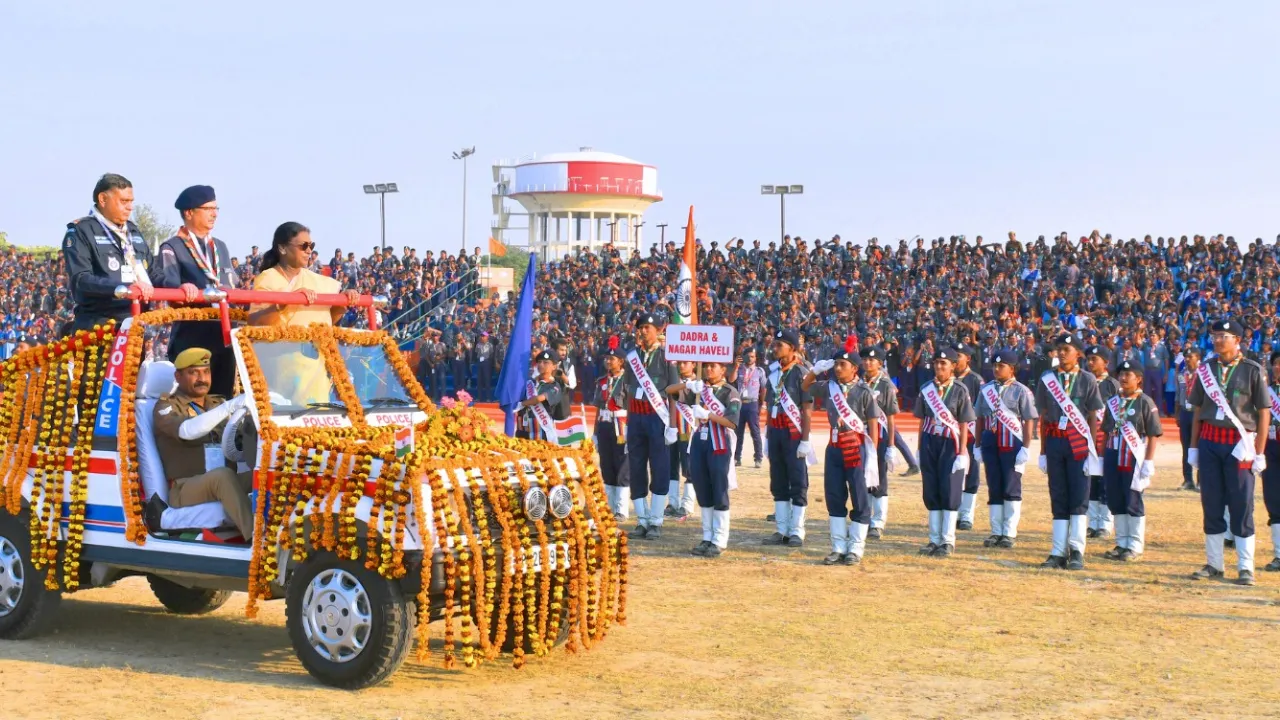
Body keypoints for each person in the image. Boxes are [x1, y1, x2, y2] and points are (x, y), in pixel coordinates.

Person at [1188, 319, 1269, 586]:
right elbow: (1198, 409)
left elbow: (1263, 412)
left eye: (1223, 335)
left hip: (1240, 443)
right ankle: (1214, 564)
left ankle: (1246, 568)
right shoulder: (1206, 370)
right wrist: (1194, 447)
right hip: (1211, 441)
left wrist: (1259, 452)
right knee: (1211, 502)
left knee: (1241, 503)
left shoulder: (1252, 370)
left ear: (1237, 340)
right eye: (1215, 336)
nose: (1218, 340)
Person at [151, 348, 253, 539]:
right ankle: (256, 540)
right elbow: (187, 431)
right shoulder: (167, 407)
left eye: (206, 372)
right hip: (185, 488)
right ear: (178, 376)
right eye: (193, 372)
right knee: (222, 476)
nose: (202, 378)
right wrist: (228, 407)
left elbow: (241, 437)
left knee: (262, 475)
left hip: (223, 480)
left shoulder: (216, 403)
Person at [156, 185, 238, 397]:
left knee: (223, 398)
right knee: (193, 400)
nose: (214, 213)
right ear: (189, 213)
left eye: (215, 208)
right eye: (208, 208)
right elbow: (166, 283)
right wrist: (181, 288)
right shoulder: (172, 247)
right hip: (192, 334)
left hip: (223, 335)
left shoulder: (220, 247)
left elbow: (230, 285)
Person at [805, 345, 882, 565]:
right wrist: (816, 371)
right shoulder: (829, 387)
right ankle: (838, 547)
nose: (838, 368)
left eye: (842, 365)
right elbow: (806, 387)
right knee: (834, 496)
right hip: (835, 448)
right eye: (836, 364)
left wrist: (873, 456)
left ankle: (855, 548)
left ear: (854, 369)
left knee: (859, 498)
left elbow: (874, 426)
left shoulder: (864, 391)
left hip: (856, 448)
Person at [1035, 333, 1104, 570]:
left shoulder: (1087, 380)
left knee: (1078, 496)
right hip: (1055, 441)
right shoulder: (1047, 379)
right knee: (1058, 495)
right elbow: (1044, 417)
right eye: (1059, 349)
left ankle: (1076, 551)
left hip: (1078, 443)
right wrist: (1043, 451)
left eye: (1067, 349)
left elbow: (1093, 416)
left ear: (1078, 354)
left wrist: (1092, 450)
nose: (1062, 353)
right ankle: (1057, 551)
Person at [62, 173, 159, 332]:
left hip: (135, 323)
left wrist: (180, 285)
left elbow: (153, 272)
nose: (130, 207)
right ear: (103, 199)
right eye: (124, 201)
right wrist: (124, 288)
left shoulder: (133, 231)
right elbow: (81, 279)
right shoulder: (81, 231)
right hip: (98, 326)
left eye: (131, 202)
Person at [622, 312, 680, 539]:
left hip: (658, 419)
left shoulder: (667, 357)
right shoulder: (631, 357)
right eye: (641, 327)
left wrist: (673, 425)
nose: (643, 331)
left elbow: (673, 393)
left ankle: (655, 520)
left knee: (660, 467)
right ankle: (642, 520)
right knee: (636, 468)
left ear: (659, 330)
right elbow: (628, 392)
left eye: (648, 327)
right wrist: (627, 423)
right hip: (636, 419)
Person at [914, 347, 975, 557]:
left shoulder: (960, 390)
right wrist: (919, 449)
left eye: (944, 363)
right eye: (936, 363)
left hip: (951, 443)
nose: (939, 367)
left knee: (949, 490)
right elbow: (922, 420)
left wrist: (962, 452)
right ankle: (934, 539)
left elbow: (964, 422)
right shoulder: (926, 388)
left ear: (952, 366)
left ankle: (947, 541)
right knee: (931, 489)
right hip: (931, 441)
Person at [1100, 359, 1161, 562]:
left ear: (1139, 379)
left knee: (1132, 500)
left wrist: (1149, 462)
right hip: (1112, 455)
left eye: (1128, 375)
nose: (1123, 378)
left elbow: (1152, 434)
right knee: (1116, 499)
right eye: (1121, 375)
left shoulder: (1145, 402)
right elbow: (1107, 431)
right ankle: (1121, 542)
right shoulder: (1112, 402)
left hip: (1133, 457)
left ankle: (1134, 544)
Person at [975, 349, 1037, 548]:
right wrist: (977, 444)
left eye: (1001, 366)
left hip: (1013, 443)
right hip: (990, 442)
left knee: (1011, 487)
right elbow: (979, 418)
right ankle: (996, 531)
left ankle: (1009, 533)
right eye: (994, 365)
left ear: (1012, 369)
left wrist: (1026, 447)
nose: (996, 369)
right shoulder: (986, 389)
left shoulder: (1021, 390)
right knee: (994, 485)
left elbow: (1028, 420)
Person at [680, 360, 741, 558]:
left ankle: (719, 539)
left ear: (723, 369)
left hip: (719, 444)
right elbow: (670, 391)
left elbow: (732, 422)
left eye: (713, 366)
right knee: (703, 490)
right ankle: (707, 536)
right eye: (705, 366)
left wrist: (709, 414)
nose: (708, 369)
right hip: (699, 443)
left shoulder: (729, 392)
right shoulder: (699, 390)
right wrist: (688, 384)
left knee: (719, 490)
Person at [248, 222, 361, 327]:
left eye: (311, 246)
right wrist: (287, 300)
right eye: (303, 246)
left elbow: (330, 322)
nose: (309, 251)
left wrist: (343, 301)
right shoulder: (268, 278)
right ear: (282, 248)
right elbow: (254, 322)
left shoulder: (318, 280)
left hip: (315, 347)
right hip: (279, 347)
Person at [764, 329, 813, 546]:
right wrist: (767, 436)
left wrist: (805, 439)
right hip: (775, 431)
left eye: (780, 345)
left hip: (794, 434)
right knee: (778, 480)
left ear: (793, 349)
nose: (775, 348)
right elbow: (768, 405)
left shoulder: (802, 373)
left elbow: (807, 409)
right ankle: (782, 529)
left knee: (798, 481)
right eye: (775, 344)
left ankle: (797, 530)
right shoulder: (773, 373)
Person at [861, 346, 902, 540]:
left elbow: (891, 418)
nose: (868, 363)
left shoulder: (885, 385)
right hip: (860, 435)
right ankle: (865, 517)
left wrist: (892, 445)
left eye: (872, 360)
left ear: (880, 363)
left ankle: (878, 522)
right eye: (865, 360)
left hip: (880, 436)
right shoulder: (858, 381)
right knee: (862, 478)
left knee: (879, 479)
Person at [1085, 345, 1119, 539]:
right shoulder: (1084, 381)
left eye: (1094, 359)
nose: (1090, 363)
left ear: (1105, 363)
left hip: (1105, 437)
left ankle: (1105, 524)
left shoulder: (1113, 384)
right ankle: (1093, 522)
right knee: (1090, 480)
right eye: (1088, 359)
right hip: (1086, 437)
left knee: (1105, 480)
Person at [595, 342, 630, 519]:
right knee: (606, 464)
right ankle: (609, 507)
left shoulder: (627, 380)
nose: (608, 361)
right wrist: (595, 432)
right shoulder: (601, 381)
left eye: (612, 359)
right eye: (606, 358)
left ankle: (622, 509)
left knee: (622, 465)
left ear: (621, 361)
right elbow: (597, 408)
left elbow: (632, 406)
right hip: (604, 425)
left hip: (621, 427)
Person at [953, 344, 985, 531]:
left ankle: (967, 515)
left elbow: (980, 410)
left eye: (959, 356)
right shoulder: (947, 379)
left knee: (971, 473)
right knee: (953, 472)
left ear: (968, 359)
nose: (956, 360)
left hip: (971, 434)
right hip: (952, 435)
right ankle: (954, 510)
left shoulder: (975, 380)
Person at [665, 360, 699, 520]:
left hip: (688, 429)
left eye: (685, 363)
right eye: (680, 363)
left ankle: (687, 504)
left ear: (694, 364)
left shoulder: (699, 382)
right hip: (672, 427)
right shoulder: (672, 380)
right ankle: (672, 502)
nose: (682, 366)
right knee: (671, 467)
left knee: (689, 468)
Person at [518, 350, 567, 441]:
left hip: (541, 431)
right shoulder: (530, 382)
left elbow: (539, 398)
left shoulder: (554, 386)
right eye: (539, 362)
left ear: (554, 366)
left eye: (546, 362)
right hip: (523, 428)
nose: (541, 365)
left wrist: (522, 404)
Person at [730, 349, 766, 468]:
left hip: (752, 403)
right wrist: (736, 366)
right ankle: (736, 457)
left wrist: (761, 403)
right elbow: (731, 380)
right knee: (738, 432)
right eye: (748, 356)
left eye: (752, 356)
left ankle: (758, 458)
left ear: (755, 358)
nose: (750, 359)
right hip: (740, 403)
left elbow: (763, 388)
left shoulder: (759, 371)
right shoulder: (739, 369)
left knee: (755, 432)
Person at [1175, 347, 1202, 491]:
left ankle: (1200, 481)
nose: (1187, 359)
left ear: (1198, 358)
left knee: (1199, 446)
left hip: (1199, 414)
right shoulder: (1181, 374)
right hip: (1185, 413)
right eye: (1186, 356)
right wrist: (1177, 414)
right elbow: (1178, 394)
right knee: (1186, 447)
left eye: (1190, 356)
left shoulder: (1204, 374)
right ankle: (1188, 480)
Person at [1263, 350, 1280, 572]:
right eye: (1276, 364)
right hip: (1271, 450)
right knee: (1274, 500)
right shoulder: (1266, 393)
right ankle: (1279, 554)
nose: (1279, 367)